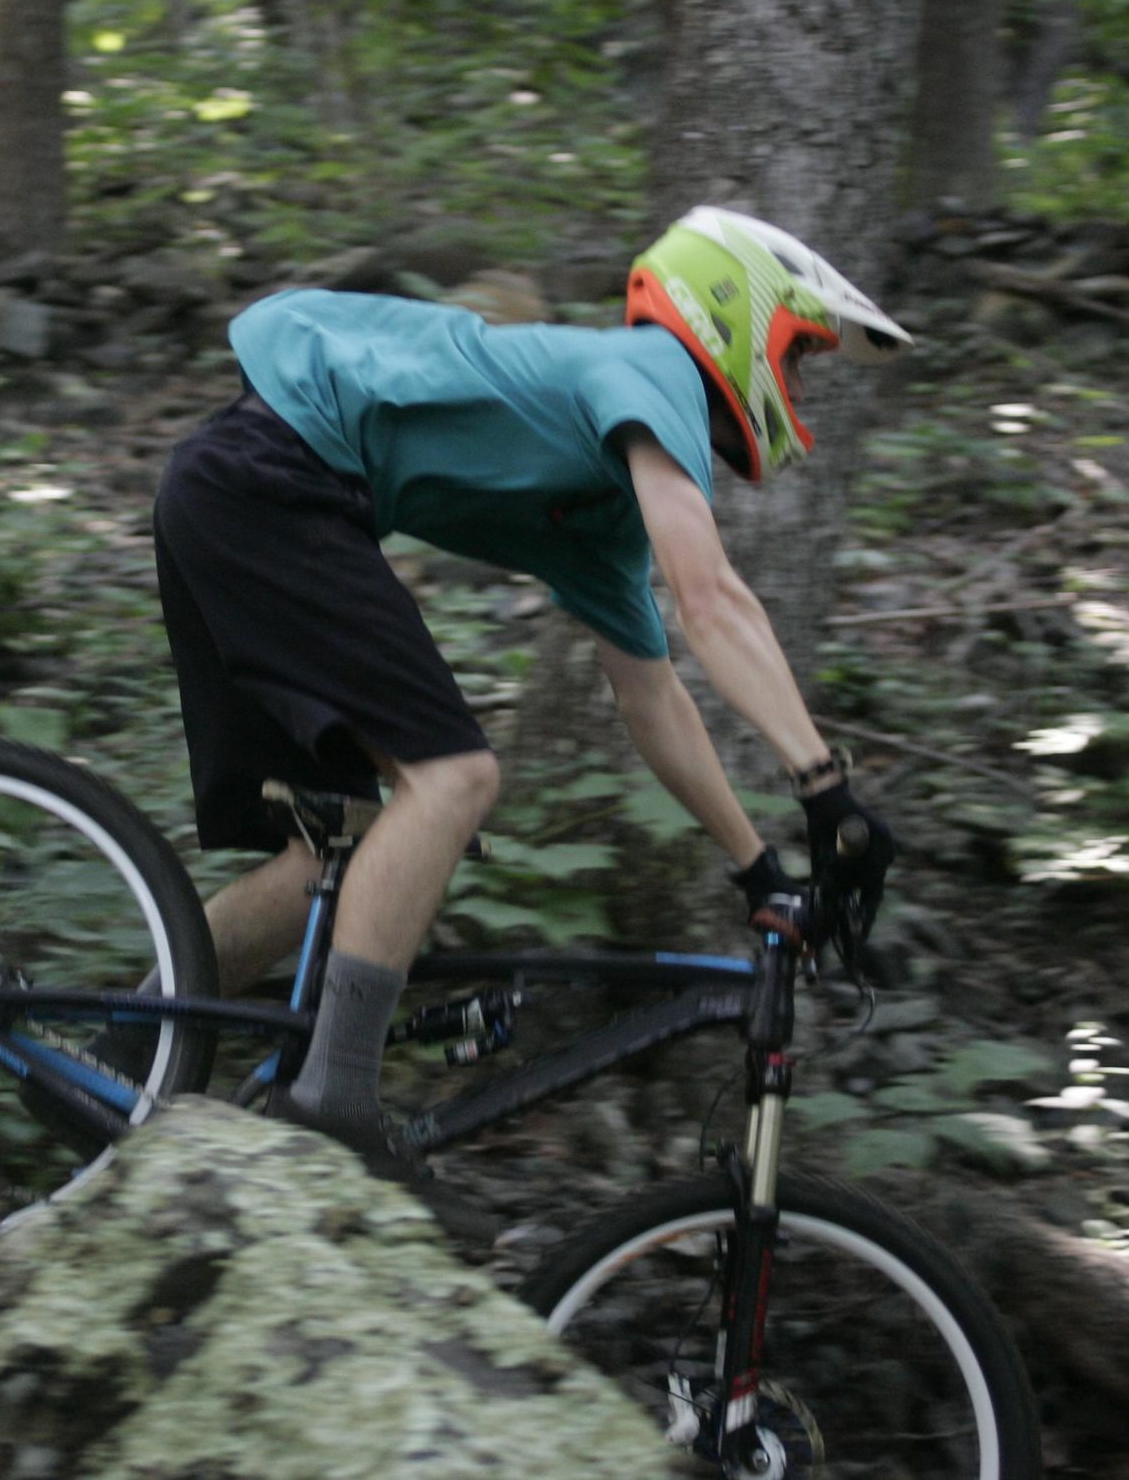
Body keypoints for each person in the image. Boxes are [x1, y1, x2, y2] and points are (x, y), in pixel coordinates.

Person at [145, 204, 906, 1179]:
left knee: (326, 863)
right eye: (797, 358)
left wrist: (759, 872)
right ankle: (329, 1101)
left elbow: (652, 698)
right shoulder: (649, 371)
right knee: (453, 779)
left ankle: (123, 1054)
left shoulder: (601, 510)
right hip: (276, 482)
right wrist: (825, 790)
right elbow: (711, 600)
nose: (796, 387)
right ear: (737, 320)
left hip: (235, 490)